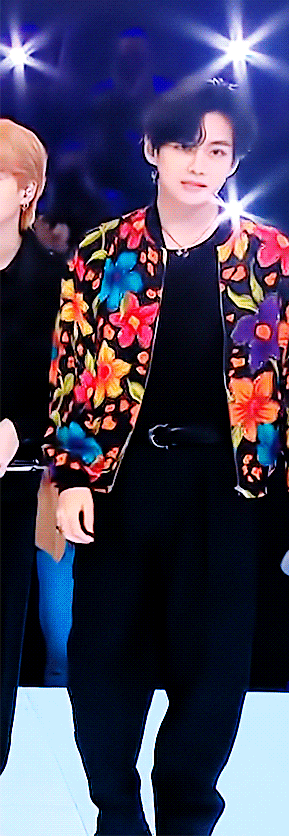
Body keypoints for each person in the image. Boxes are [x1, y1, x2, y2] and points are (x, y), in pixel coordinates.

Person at [44, 79, 289, 836]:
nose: (199, 164)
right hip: (122, 484)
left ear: (235, 163)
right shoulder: (103, 252)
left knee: (212, 676)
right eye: (183, 145)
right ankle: (117, 815)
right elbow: (72, 369)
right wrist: (72, 475)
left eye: (217, 150)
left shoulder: (267, 255)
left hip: (226, 491)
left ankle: (187, 819)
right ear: (151, 150)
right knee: (103, 665)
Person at [0, 118, 64, 770]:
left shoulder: (54, 282)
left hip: (15, 485)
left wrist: (20, 429)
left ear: (27, 190)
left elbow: (73, 386)